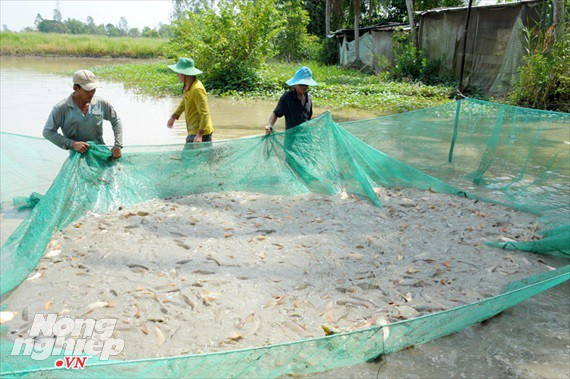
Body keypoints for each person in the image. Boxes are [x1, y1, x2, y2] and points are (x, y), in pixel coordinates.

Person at [43, 69, 123, 159]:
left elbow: (116, 121)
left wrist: (118, 145)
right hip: (77, 156)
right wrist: (72, 144)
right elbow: (48, 132)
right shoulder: (61, 108)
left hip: (100, 152)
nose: (91, 93)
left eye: (93, 89)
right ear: (76, 88)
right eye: (87, 90)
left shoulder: (101, 103)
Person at [166, 58, 214, 146]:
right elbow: (184, 103)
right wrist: (174, 117)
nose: (177, 75)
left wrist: (200, 135)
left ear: (186, 74)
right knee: (192, 158)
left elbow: (205, 113)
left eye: (179, 72)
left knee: (188, 158)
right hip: (193, 131)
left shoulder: (197, 90)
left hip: (201, 133)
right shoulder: (188, 86)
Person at [265, 66, 318, 135]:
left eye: (306, 84)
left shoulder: (308, 98)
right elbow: (276, 114)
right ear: (295, 84)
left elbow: (308, 118)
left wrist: (322, 116)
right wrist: (270, 125)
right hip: (291, 139)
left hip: (305, 138)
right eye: (301, 84)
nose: (304, 87)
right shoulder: (287, 97)